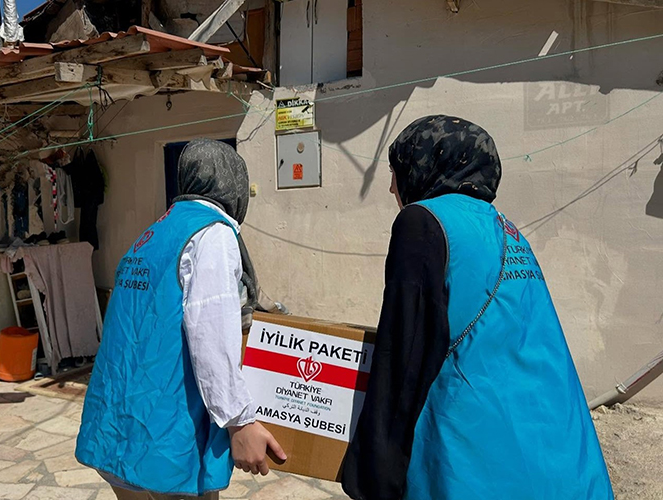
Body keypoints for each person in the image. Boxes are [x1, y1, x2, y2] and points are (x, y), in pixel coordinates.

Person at [341, 116, 614, 500]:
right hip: (561, 452)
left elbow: (402, 354)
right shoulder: (505, 228)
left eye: (395, 171)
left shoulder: (423, 221)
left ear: (423, 164)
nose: (391, 187)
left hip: (474, 461)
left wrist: (373, 473)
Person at [76, 139, 286, 500]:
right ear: (233, 182)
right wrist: (239, 421)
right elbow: (211, 335)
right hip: (166, 427)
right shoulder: (212, 233)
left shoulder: (155, 232)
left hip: (119, 420)